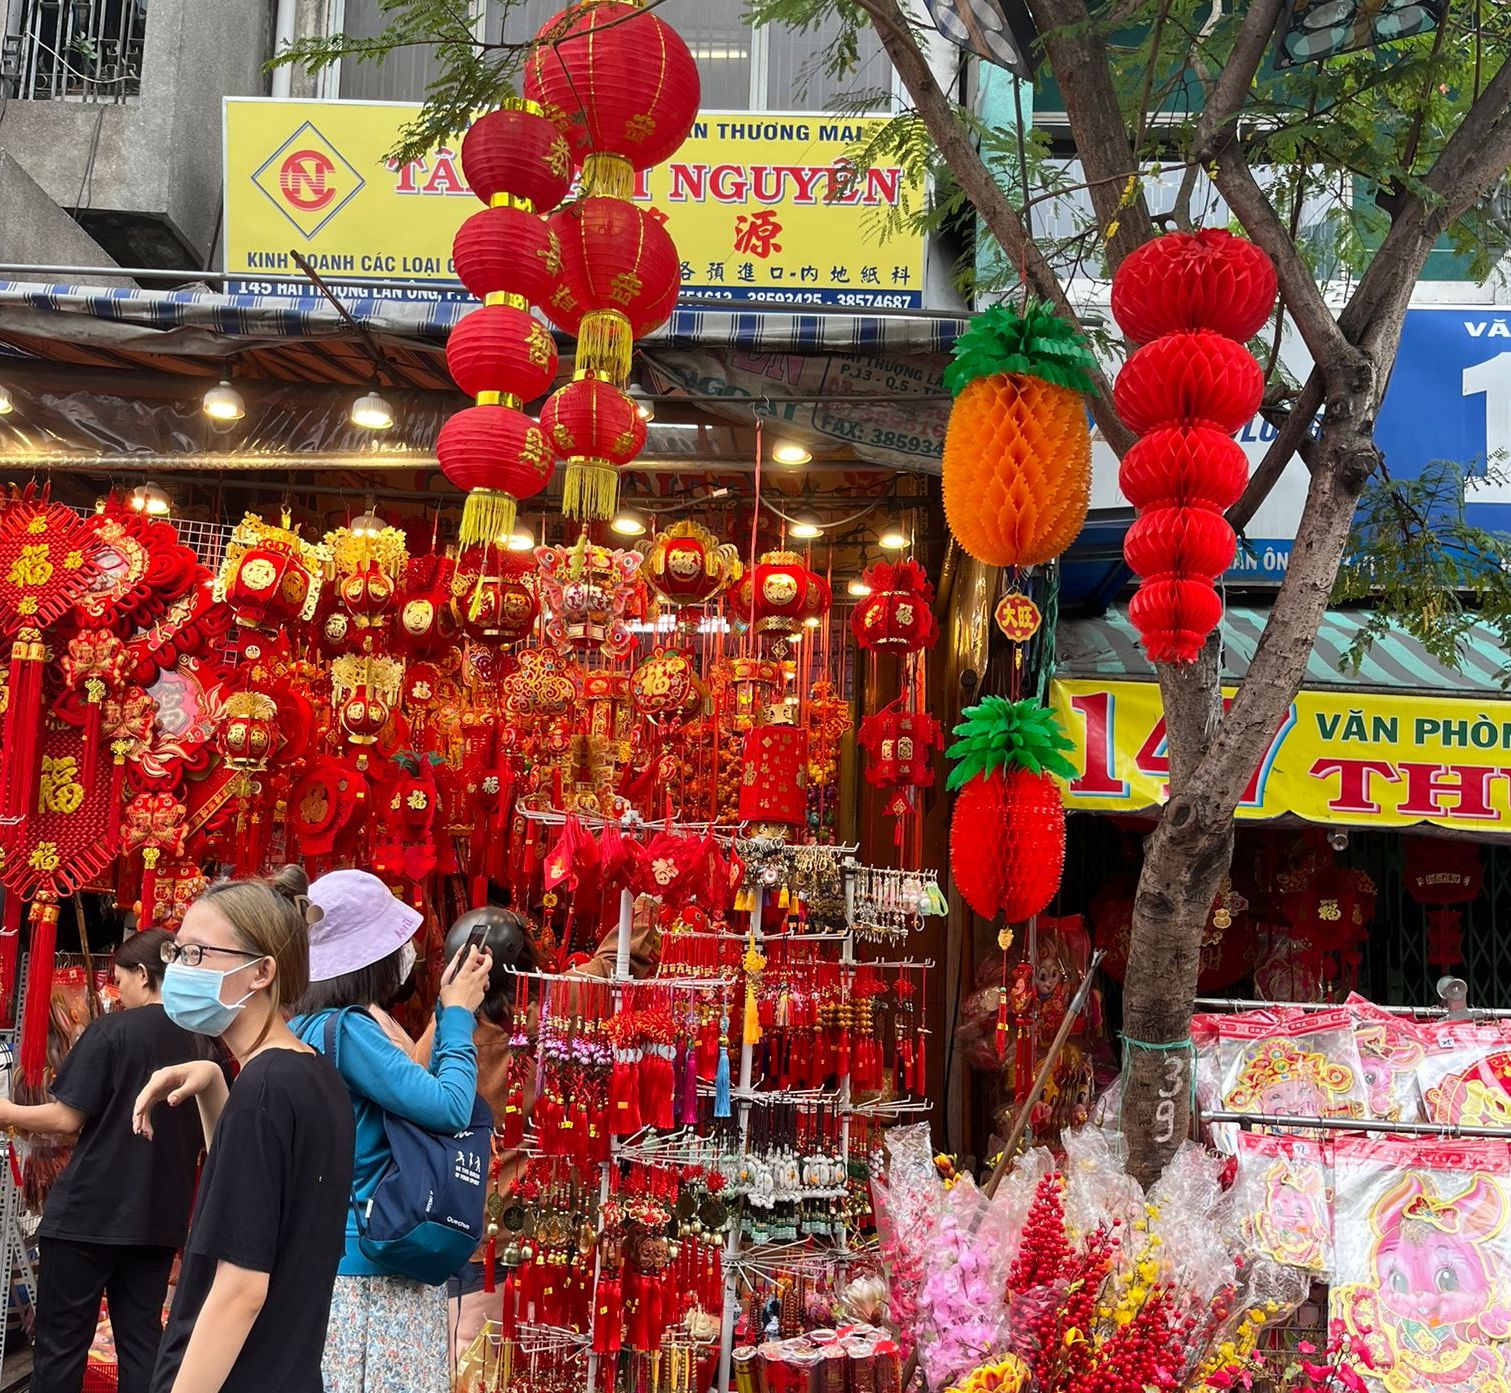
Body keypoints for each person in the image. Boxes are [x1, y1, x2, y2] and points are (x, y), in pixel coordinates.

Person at [132, 867, 354, 1393]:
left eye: (198, 954)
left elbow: (241, 1290)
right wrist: (213, 1085)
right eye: (176, 953)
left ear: (261, 973)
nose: (181, 969)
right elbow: (247, 1198)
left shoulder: (267, 1088)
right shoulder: (312, 1074)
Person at [289, 870, 491, 1393]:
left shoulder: (302, 1027)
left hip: (331, 1259)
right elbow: (449, 1108)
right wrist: (458, 1016)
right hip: (375, 1268)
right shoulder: (351, 1029)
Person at [0, 930, 204, 1393]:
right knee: (142, 1344)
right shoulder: (203, 1041)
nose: (119, 991)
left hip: (88, 1217)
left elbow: (67, 1118)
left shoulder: (113, 1031)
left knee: (61, 1348)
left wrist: (7, 1112)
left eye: (121, 979)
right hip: (158, 1217)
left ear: (144, 976)